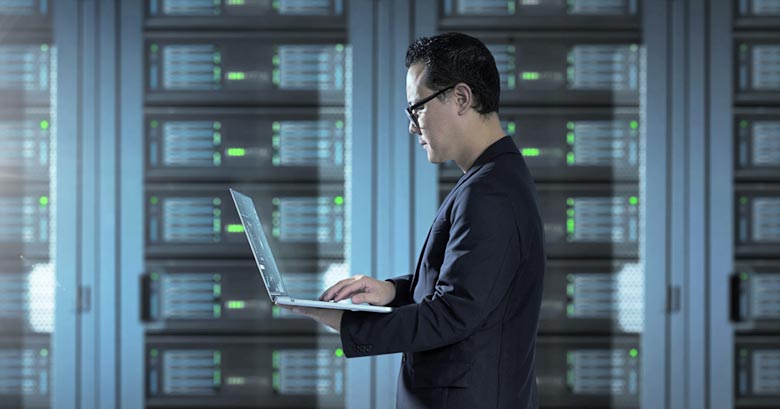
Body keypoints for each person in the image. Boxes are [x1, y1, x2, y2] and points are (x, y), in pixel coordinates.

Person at [282, 32, 546, 409]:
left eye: (416, 108)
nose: (412, 126)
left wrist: (343, 321)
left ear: (461, 98)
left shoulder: (491, 191)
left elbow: (452, 314)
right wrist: (390, 291)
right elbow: (468, 286)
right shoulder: (493, 179)